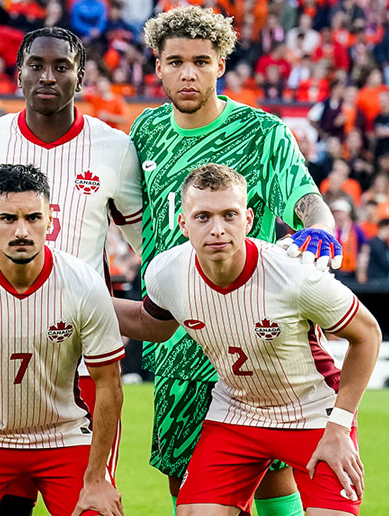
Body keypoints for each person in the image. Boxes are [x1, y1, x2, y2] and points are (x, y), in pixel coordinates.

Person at [130, 7, 342, 514]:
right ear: (156, 66)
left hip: (257, 331)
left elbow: (306, 200)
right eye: (175, 61)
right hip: (180, 332)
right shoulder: (145, 130)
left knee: (270, 476)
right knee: (184, 480)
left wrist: (322, 229)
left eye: (201, 61)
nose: (188, 74)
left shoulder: (263, 132)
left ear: (221, 64)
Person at [115, 163, 380, 516]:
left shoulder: (294, 272)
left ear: (249, 219)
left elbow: (367, 333)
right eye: (203, 217)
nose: (217, 229)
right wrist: (79, 298)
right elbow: (152, 324)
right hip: (238, 414)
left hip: (314, 414)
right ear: (183, 223)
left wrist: (340, 426)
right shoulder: (166, 271)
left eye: (229, 215)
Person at [0, 26, 141, 516]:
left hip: (82, 358)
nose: (47, 75)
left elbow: (145, 241)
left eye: (61, 66)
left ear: (80, 76)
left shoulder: (113, 148)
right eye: (36, 65)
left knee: (88, 502)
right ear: (18, 73)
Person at [0, 163, 124, 516]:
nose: (21, 231)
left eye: (33, 218)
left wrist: (96, 479)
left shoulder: (83, 284)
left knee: (98, 511)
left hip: (62, 437)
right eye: (8, 219)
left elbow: (108, 385)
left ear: (50, 219)